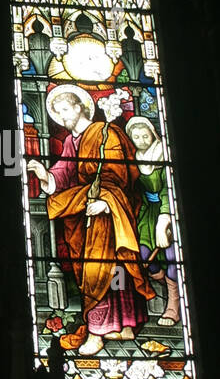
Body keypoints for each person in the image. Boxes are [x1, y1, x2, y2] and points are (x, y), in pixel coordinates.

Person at [27, 83, 155, 353]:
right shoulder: (72, 142)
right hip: (87, 215)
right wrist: (44, 176)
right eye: (57, 113)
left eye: (64, 109)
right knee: (94, 271)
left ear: (80, 106)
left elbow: (119, 175)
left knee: (107, 269)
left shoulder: (104, 133)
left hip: (109, 213)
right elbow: (63, 172)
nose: (61, 117)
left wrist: (106, 202)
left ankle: (106, 330)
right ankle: (114, 326)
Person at [125, 116, 180, 326]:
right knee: (144, 254)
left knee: (172, 255)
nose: (141, 140)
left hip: (167, 210)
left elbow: (168, 189)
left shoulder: (162, 154)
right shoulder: (135, 159)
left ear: (153, 134)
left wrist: (165, 219)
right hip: (147, 213)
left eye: (145, 135)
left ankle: (174, 304)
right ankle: (165, 289)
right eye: (136, 137)